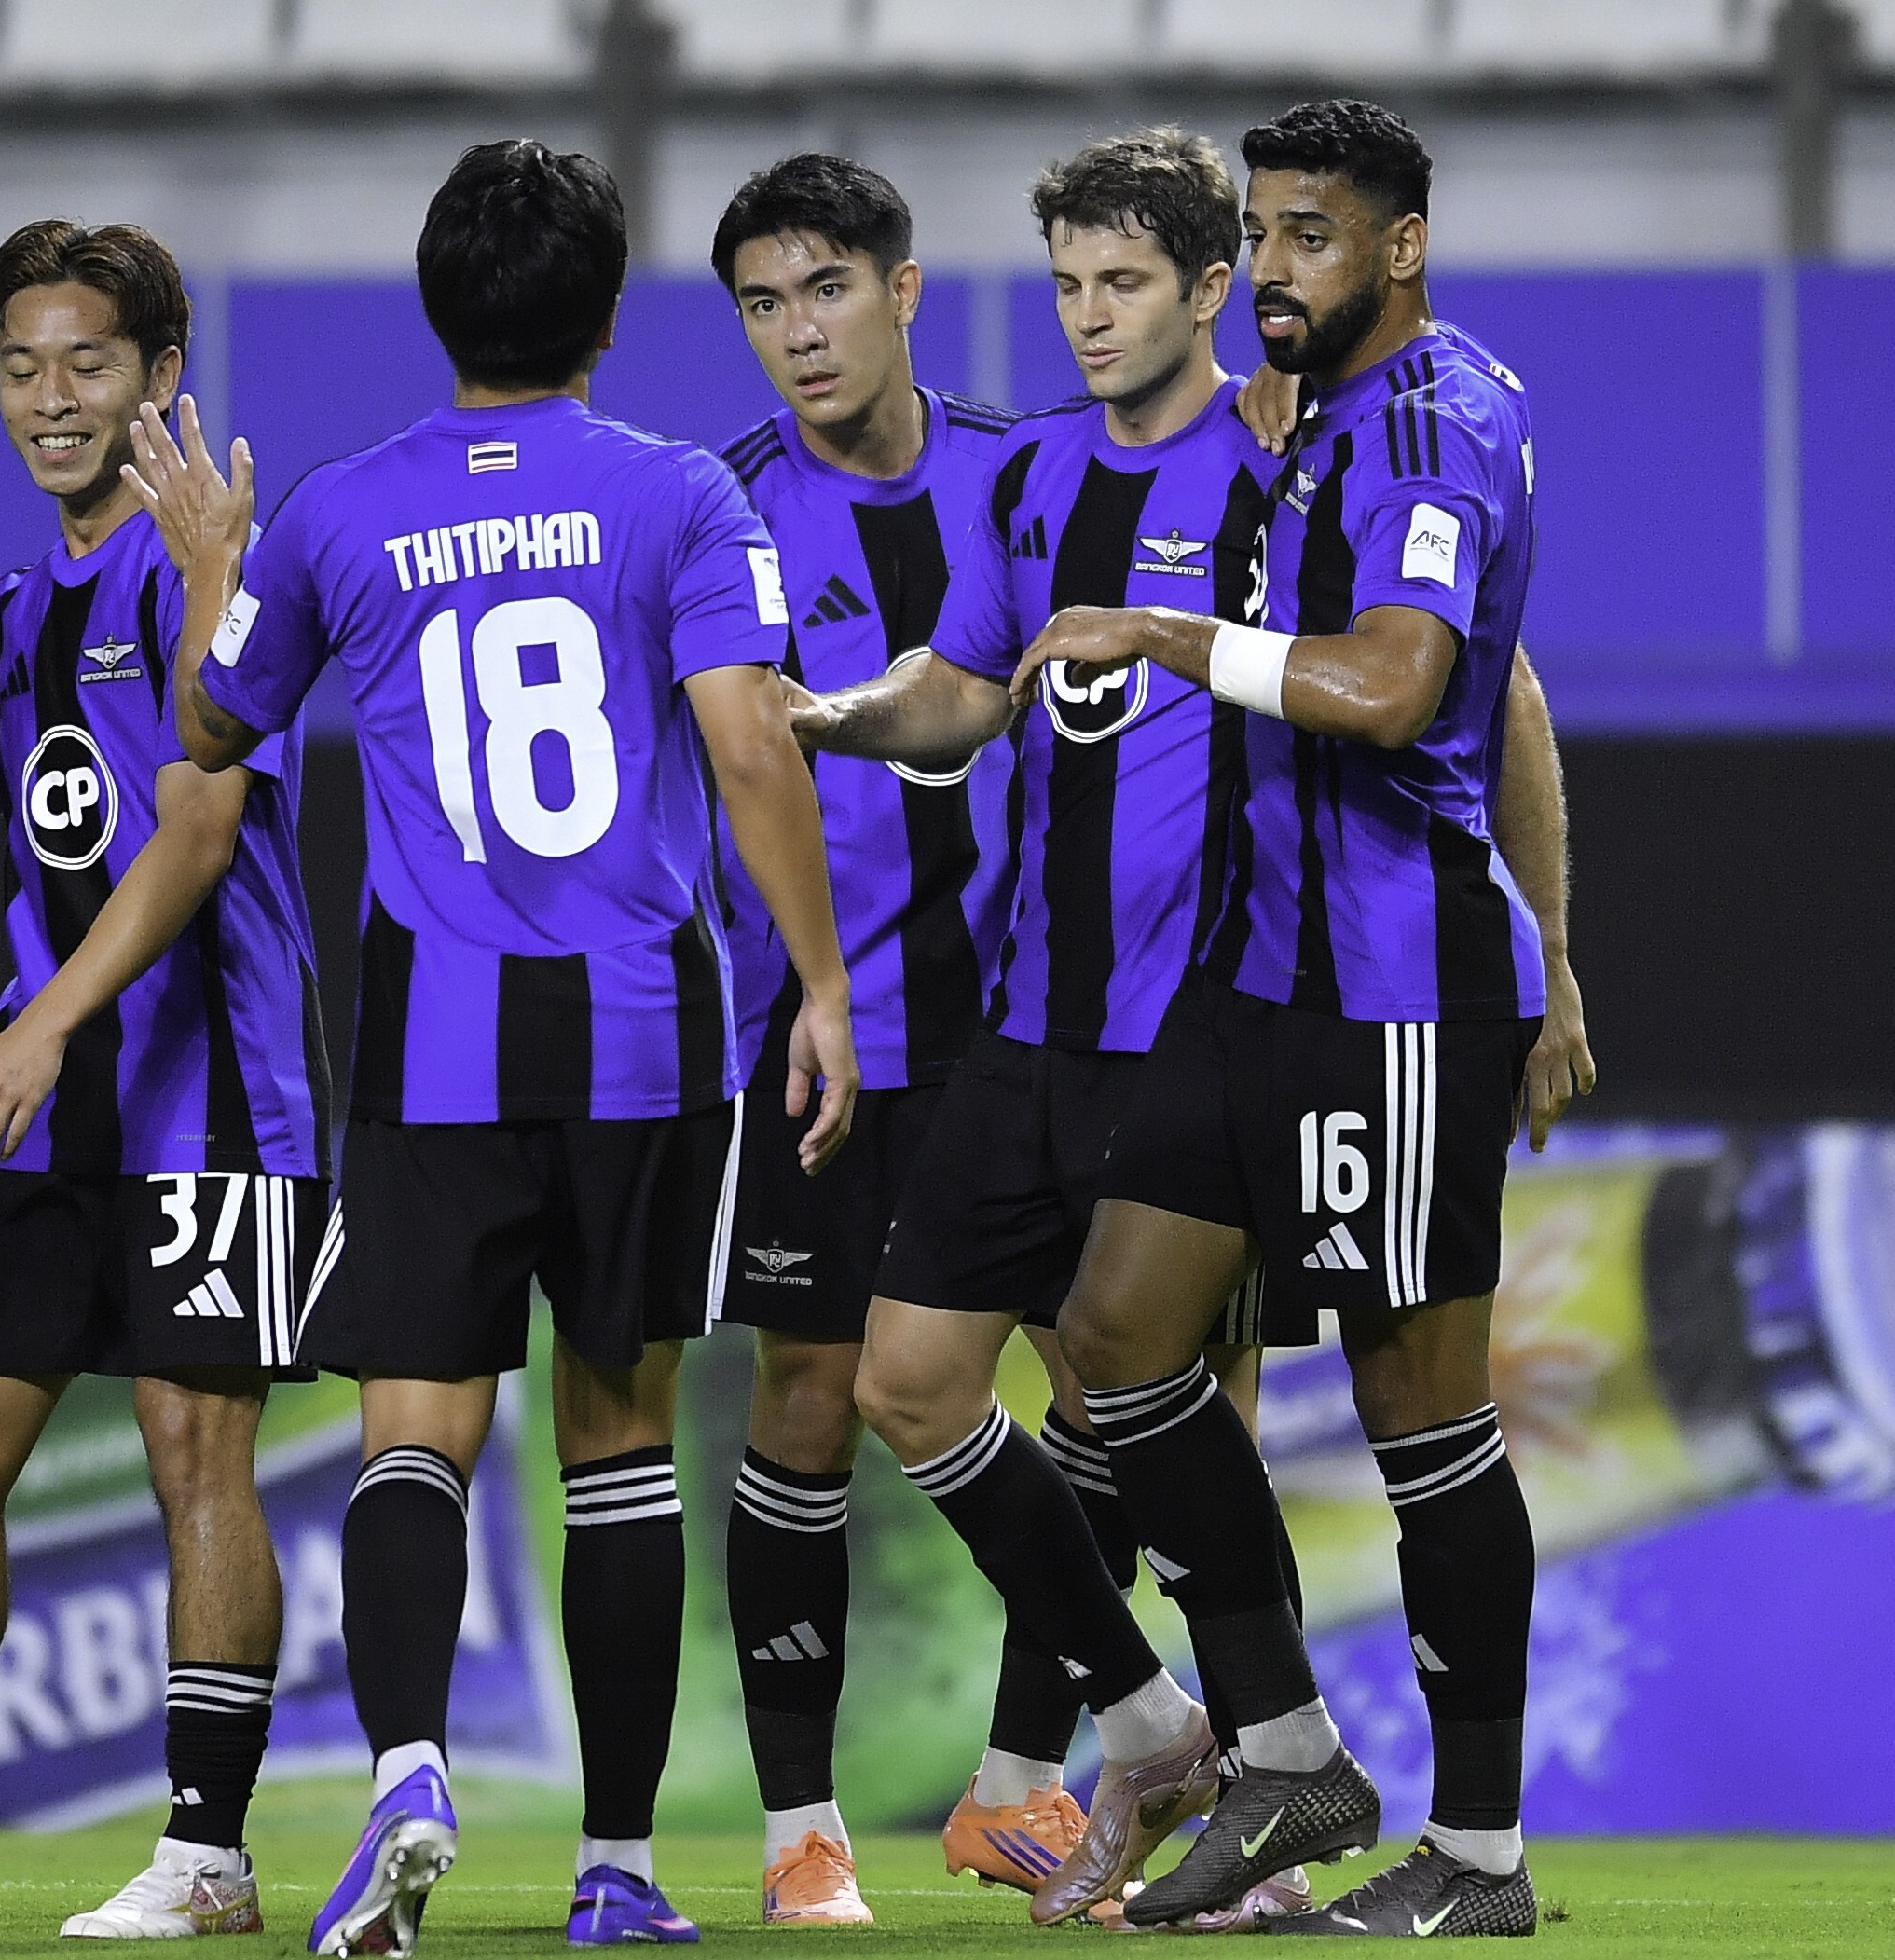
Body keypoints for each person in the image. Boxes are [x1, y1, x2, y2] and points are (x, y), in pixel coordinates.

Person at [125, 137, 867, 1954]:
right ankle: (616, 1866)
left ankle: (405, 1769)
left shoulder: (338, 511)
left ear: (436, 307)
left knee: (413, 1434)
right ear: (604, 315)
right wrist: (824, 985)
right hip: (641, 1041)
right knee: (617, 1446)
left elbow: (209, 725)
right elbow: (749, 743)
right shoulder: (682, 494)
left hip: (433, 1046)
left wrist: (214, 565)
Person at [1010, 99, 1593, 1936]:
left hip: (1391, 989)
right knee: (1112, 1335)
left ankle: (1477, 1855)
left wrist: (1161, 633)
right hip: (1257, 980)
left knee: (1420, 1417)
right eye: (1259, 232)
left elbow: (1403, 683)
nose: (1270, 267)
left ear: (1400, 247)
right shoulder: (1324, 417)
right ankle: (1284, 1752)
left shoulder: (1429, 422)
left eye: (1309, 235)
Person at [787, 127, 1325, 1931]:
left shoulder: (1281, 466)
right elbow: (960, 695)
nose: (1090, 316)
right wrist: (827, 716)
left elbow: (1413, 681)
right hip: (1028, 1026)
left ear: (1205, 289)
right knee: (906, 1381)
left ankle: (1274, 1775)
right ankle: (1153, 1722)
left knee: (1166, 1398)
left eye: (1124, 283)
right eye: (1068, 283)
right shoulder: (1026, 481)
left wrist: (1537, 953)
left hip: (1204, 1021)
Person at [0, 219, 329, 1939]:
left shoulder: (215, 576)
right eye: (21, 366)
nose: (52, 397)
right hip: (49, 1116)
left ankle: (206, 1856)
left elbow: (200, 823)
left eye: (89, 361)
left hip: (218, 1098)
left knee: (197, 1455)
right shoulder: (15, 615)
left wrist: (40, 1028)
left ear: (161, 373)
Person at [695, 152, 1018, 1927]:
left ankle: (1032, 1784)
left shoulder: (1029, 478)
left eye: (825, 289)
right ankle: (801, 1832)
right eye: (762, 303)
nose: (797, 332)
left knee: (1118, 1380)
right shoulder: (724, 509)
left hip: (1035, 1029)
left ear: (903, 290)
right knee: (810, 1399)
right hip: (824, 1039)